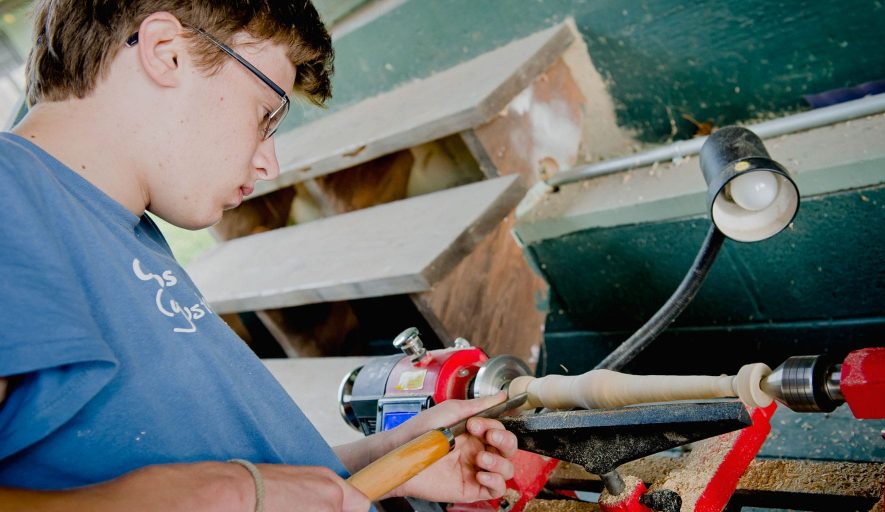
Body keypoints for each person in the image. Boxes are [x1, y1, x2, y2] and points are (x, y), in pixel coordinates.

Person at [0, 2, 518, 511]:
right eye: (265, 114)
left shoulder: (128, 234)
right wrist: (228, 495)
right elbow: (225, 492)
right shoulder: (12, 194)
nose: (269, 162)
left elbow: (244, 476)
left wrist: (385, 459)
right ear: (165, 52)